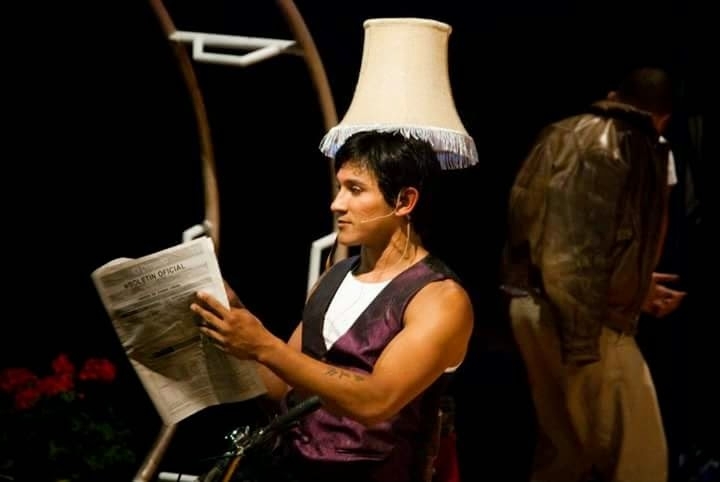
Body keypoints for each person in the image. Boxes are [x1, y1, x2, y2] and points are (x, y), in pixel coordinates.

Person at [190, 130, 474, 482]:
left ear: (404, 201)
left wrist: (264, 345)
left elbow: (376, 401)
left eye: (355, 189)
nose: (337, 204)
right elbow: (286, 388)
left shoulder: (440, 298)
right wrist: (231, 322)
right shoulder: (334, 275)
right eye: (340, 188)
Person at [501, 67, 675, 482]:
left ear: (613, 95)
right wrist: (583, 339)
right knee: (639, 460)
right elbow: (575, 249)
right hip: (584, 321)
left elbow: (534, 222)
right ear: (662, 118)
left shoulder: (558, 131)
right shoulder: (632, 145)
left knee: (564, 453)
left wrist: (635, 285)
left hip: (530, 304)